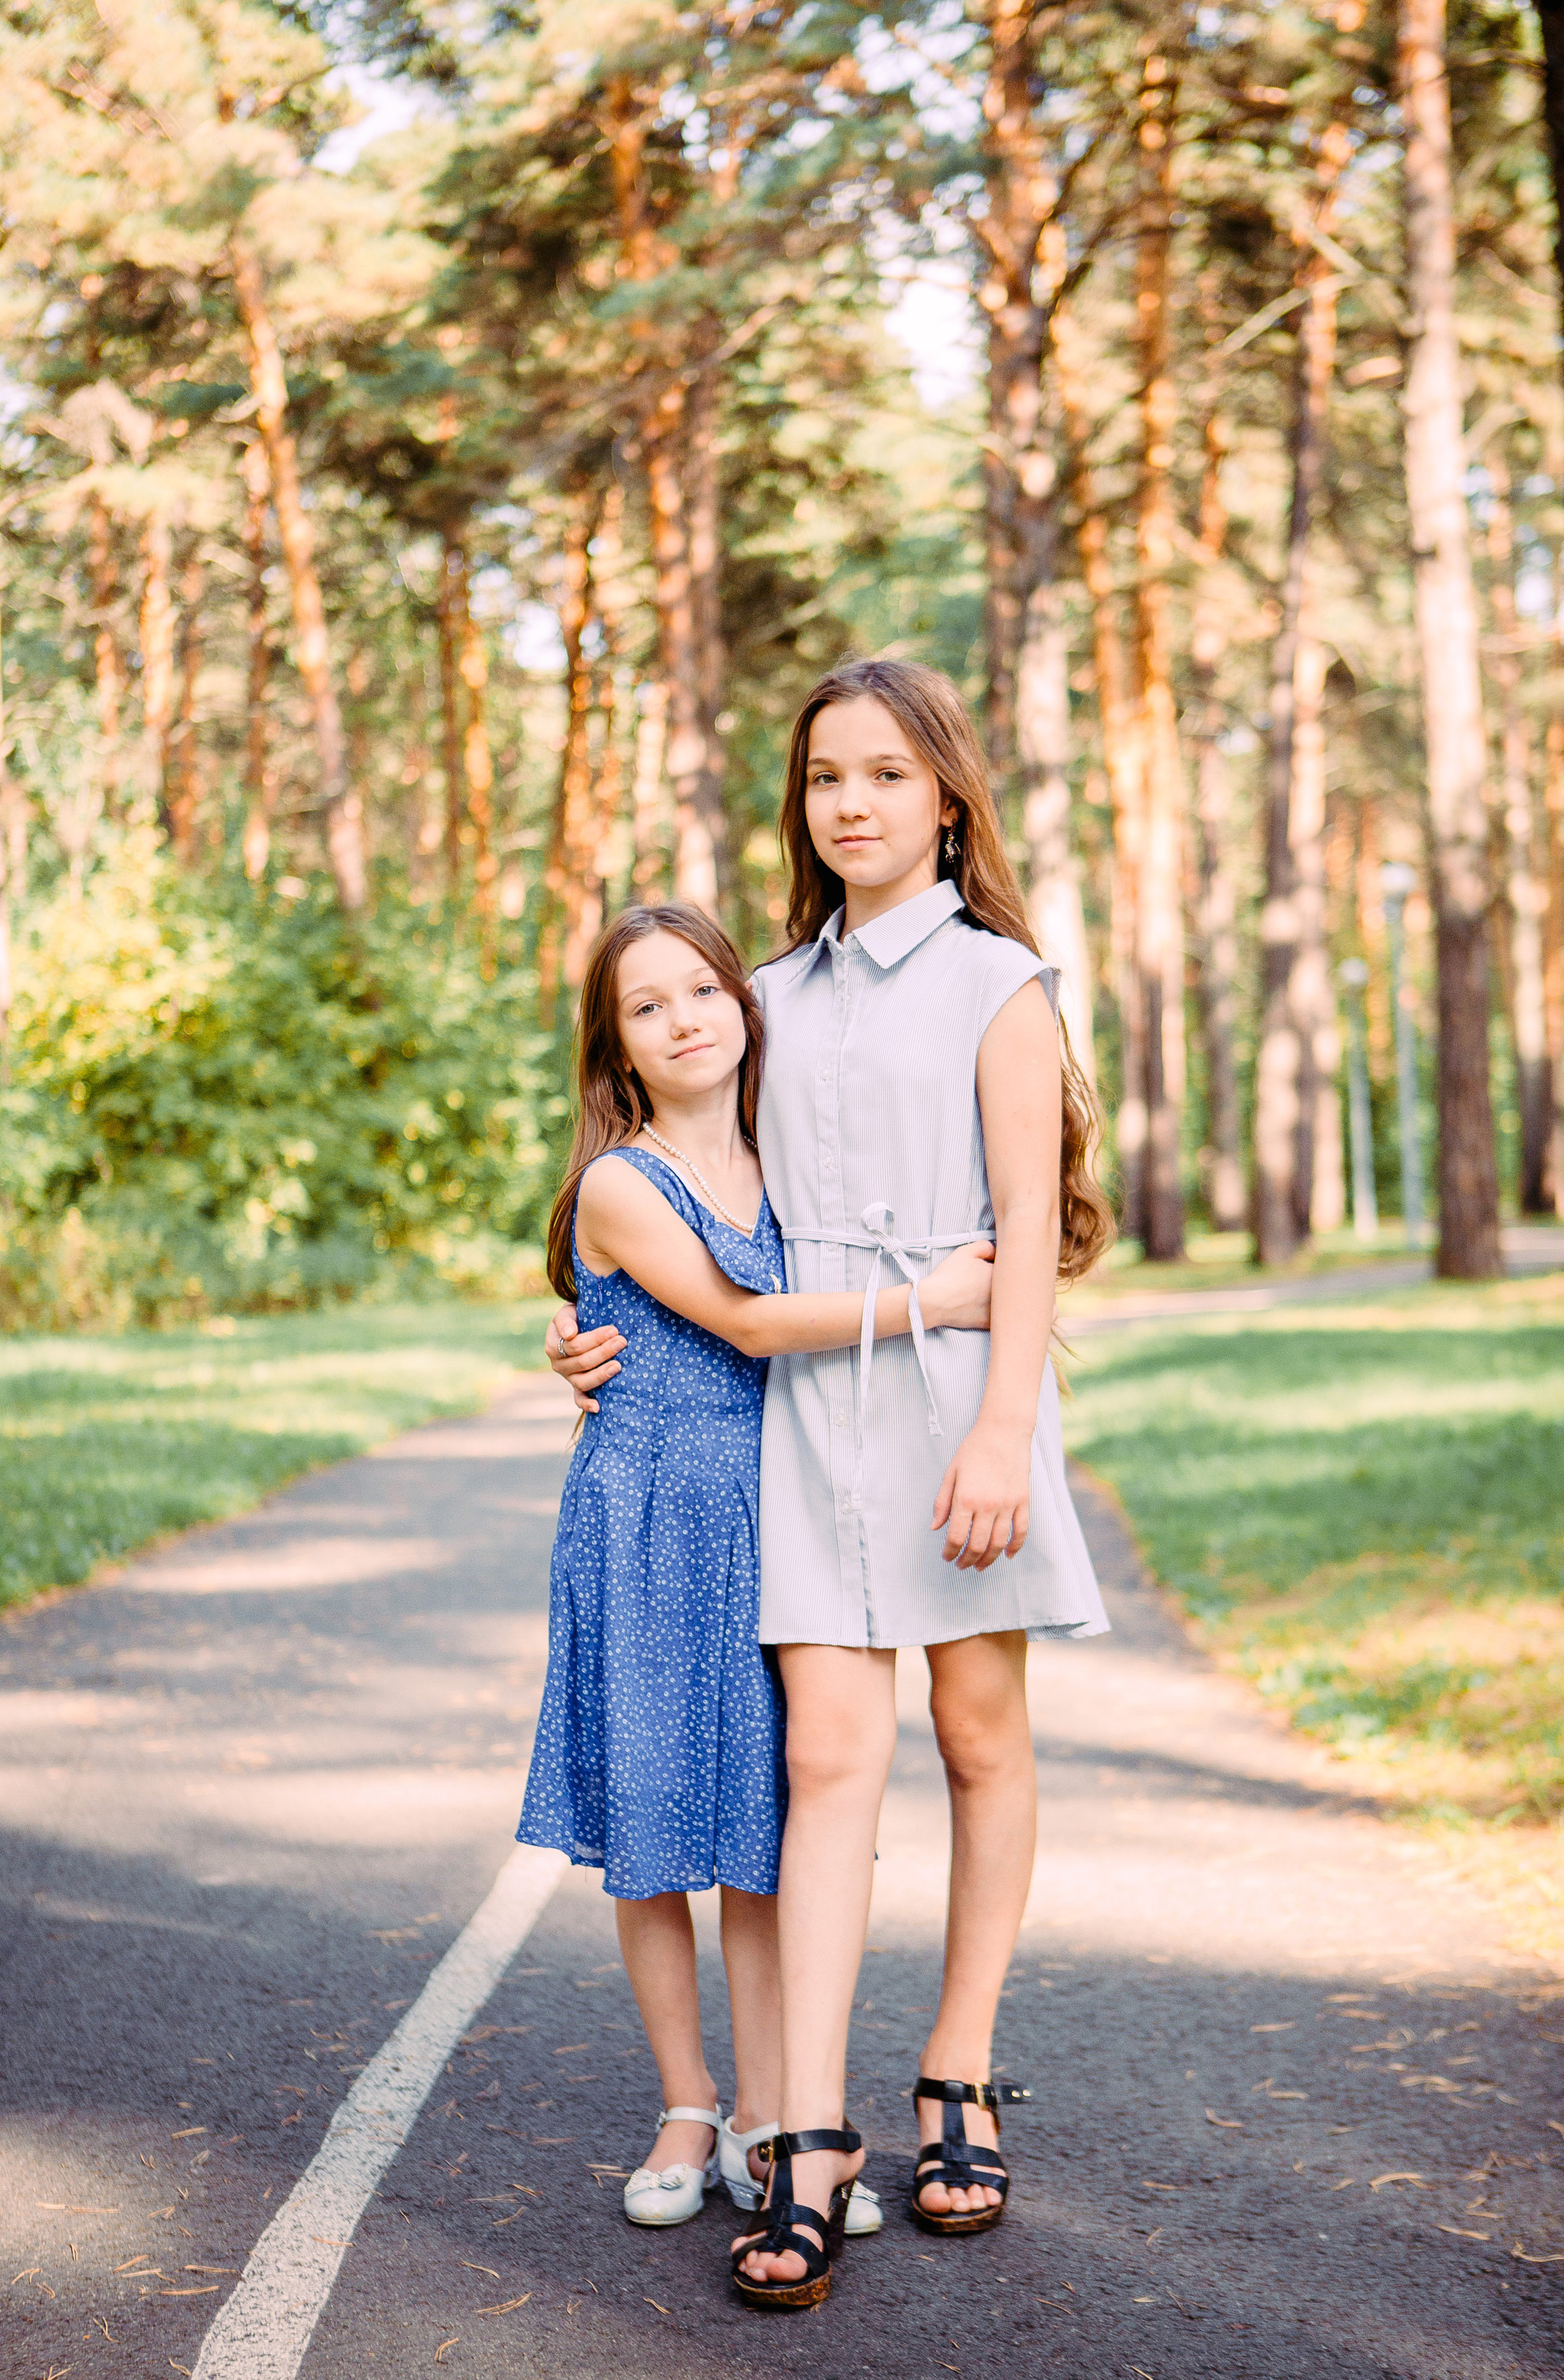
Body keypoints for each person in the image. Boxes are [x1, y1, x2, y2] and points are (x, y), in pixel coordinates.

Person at [550, 658, 1112, 2310]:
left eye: (883, 773)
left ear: (947, 795)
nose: (850, 802)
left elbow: (1024, 1234)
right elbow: (690, 1193)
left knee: (978, 1730)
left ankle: (957, 2072)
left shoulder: (1003, 986)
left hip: (955, 1396)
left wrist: (1003, 1430)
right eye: (822, 779)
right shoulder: (770, 991)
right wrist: (584, 1343)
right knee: (828, 1752)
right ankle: (811, 2132)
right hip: (805, 1407)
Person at [517, 897, 997, 2234]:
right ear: (613, 1047)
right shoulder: (622, 1180)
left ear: (744, 1004)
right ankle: (686, 2099)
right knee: (660, 1830)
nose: (682, 1022)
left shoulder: (790, 1160)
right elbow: (742, 1319)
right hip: (654, 1515)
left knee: (762, 1834)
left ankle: (779, 2121)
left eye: (700, 992)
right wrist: (934, 1301)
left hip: (779, 1507)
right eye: (645, 1006)